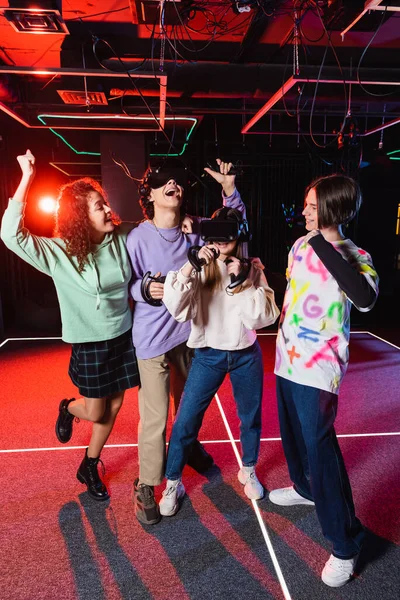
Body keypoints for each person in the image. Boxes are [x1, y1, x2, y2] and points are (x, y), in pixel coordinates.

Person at [1, 149, 140, 501]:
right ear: (80, 215)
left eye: (105, 203)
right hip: (91, 341)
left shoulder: (122, 236)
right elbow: (10, 235)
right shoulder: (60, 252)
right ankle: (68, 407)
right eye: (98, 206)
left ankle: (89, 464)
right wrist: (27, 179)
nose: (108, 210)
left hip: (124, 335)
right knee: (95, 409)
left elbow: (156, 230)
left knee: (114, 407)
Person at [271, 174, 379, 588]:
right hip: (287, 358)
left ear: (332, 210)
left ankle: (346, 545)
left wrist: (322, 239)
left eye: (312, 207)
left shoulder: (356, 255)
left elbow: (365, 299)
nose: (303, 212)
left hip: (319, 368)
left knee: (319, 446)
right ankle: (304, 487)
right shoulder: (299, 245)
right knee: (294, 438)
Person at [126, 158, 247, 525]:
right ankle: (147, 482)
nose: (172, 185)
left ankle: (188, 446)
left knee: (190, 408)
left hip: (188, 336)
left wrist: (229, 189)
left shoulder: (194, 232)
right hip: (151, 339)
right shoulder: (137, 237)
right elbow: (127, 283)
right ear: (149, 193)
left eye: (177, 181)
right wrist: (144, 287)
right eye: (163, 182)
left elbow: (234, 226)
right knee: (156, 416)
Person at [158, 207, 280, 517]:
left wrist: (240, 283)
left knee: (250, 417)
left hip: (245, 355)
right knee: (185, 421)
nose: (221, 240)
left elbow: (262, 317)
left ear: (238, 235)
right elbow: (177, 309)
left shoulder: (252, 269)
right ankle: (173, 482)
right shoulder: (199, 266)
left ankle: (248, 469)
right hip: (208, 355)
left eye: (227, 233)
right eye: (215, 233)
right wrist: (188, 268)